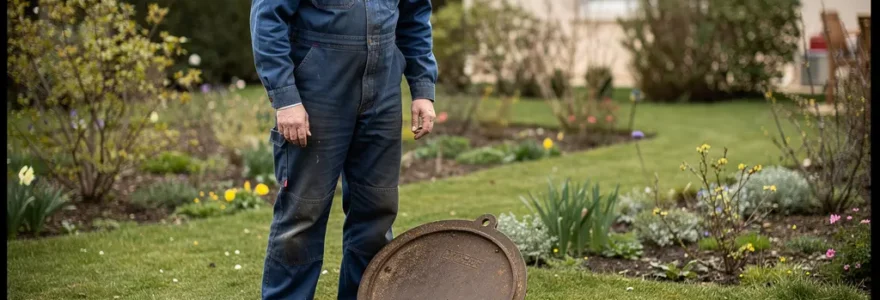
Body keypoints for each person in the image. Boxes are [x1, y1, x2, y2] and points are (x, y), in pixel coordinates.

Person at [249, 0, 438, 299]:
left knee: (376, 212)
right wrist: (285, 98)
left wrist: (422, 88)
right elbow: (268, 19)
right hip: (317, 88)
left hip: (384, 90)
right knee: (302, 213)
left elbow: (414, 16)